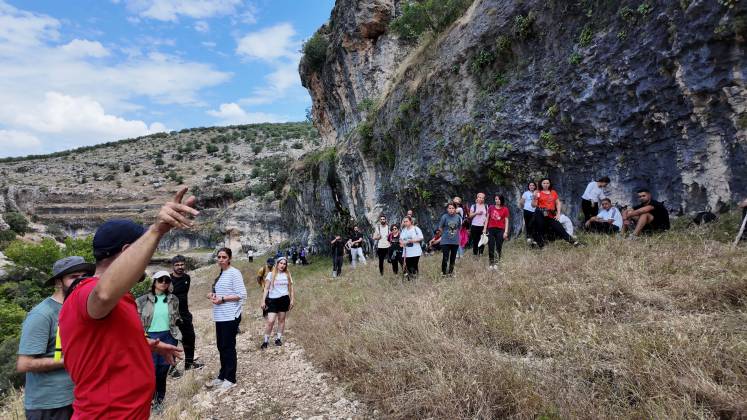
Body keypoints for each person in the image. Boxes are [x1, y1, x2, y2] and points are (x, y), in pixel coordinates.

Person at [59, 189, 195, 419]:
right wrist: (157, 230)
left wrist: (148, 345)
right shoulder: (86, 292)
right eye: (143, 251)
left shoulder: (121, 298)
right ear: (127, 252)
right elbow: (101, 297)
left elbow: (105, 339)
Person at [17, 256, 94, 420]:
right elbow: (24, 363)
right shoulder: (42, 314)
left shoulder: (79, 308)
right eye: (73, 277)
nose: (80, 281)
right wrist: (72, 360)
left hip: (79, 399)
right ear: (58, 282)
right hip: (49, 405)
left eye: (84, 276)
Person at [135, 271, 182, 412]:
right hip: (149, 337)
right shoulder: (142, 300)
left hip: (168, 336)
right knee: (150, 371)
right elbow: (136, 321)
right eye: (160, 280)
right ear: (154, 282)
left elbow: (176, 318)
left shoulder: (173, 299)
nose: (163, 283)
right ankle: (147, 400)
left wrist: (176, 336)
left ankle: (159, 401)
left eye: (166, 280)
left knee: (162, 371)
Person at [206, 248, 246, 390]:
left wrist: (222, 299)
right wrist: (212, 294)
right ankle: (222, 375)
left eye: (224, 257)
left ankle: (230, 378)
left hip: (230, 315)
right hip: (220, 316)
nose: (221, 259)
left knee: (228, 347)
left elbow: (241, 294)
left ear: (229, 258)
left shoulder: (234, 273)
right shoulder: (221, 274)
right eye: (219, 257)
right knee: (221, 346)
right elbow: (222, 292)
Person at [170, 255, 203, 373]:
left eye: (182, 264)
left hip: (185, 315)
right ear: (172, 266)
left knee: (190, 338)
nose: (180, 267)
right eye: (177, 265)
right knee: (172, 341)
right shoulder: (168, 280)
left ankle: (189, 364)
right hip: (171, 317)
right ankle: (171, 369)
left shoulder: (187, 278)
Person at [531, 178, 581, 248]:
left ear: (550, 184)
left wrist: (558, 213)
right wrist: (534, 198)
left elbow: (558, 203)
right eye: (544, 183)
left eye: (547, 183)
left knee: (560, 228)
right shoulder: (538, 192)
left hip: (550, 214)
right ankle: (541, 246)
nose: (546, 185)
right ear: (541, 184)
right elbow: (533, 205)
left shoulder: (553, 192)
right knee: (540, 228)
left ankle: (575, 243)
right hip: (540, 213)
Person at [260, 258, 295, 349]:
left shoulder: (287, 274)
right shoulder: (271, 274)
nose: (282, 265)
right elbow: (266, 289)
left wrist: (292, 300)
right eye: (281, 263)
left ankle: (278, 338)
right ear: (277, 264)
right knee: (270, 321)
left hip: (284, 299)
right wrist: (263, 300)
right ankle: (265, 341)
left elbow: (291, 288)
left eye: (284, 264)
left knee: (281, 320)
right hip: (272, 300)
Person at [485, 194, 510, 270]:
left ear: (501, 200)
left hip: (500, 230)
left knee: (499, 246)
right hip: (491, 229)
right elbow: (487, 218)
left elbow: (506, 220)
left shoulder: (505, 209)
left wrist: (505, 232)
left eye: (498, 199)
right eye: (496, 199)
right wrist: (484, 228)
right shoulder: (491, 207)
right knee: (491, 246)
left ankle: (496, 263)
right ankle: (491, 263)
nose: (497, 200)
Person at [437, 203, 462, 276]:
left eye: (453, 208)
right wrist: (445, 234)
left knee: (453, 258)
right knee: (445, 257)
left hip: (455, 241)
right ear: (447, 209)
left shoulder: (458, 217)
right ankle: (444, 273)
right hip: (445, 241)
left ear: (455, 209)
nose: (451, 210)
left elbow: (459, 227)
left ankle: (450, 273)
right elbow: (440, 227)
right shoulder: (444, 217)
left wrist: (454, 234)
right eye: (449, 208)